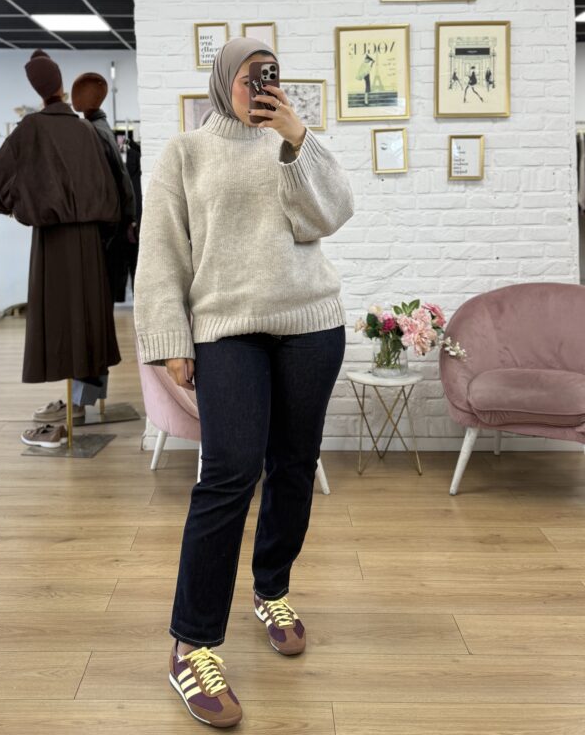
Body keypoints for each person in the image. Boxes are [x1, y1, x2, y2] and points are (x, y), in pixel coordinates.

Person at [134, 37, 354, 729]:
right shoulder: (185, 152)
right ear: (224, 79)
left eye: (269, 74)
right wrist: (170, 341)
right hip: (227, 329)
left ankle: (272, 590)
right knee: (229, 473)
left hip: (310, 324)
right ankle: (191, 644)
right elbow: (160, 252)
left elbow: (331, 214)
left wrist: (298, 139)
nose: (259, 85)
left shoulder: (291, 140)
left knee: (294, 466)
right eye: (249, 75)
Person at [0, 50, 121, 446]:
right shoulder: (85, 130)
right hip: (90, 241)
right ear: (61, 85)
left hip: (53, 240)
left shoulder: (31, 128)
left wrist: (14, 205)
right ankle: (77, 404)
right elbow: (109, 187)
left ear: (37, 89)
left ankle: (71, 412)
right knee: (86, 318)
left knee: (62, 319)